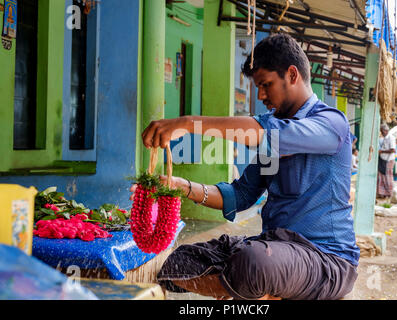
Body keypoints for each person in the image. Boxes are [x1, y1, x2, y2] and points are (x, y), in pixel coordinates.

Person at [135, 34, 359, 300]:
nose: (261, 95)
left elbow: (269, 134)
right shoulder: (270, 134)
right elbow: (239, 196)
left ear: (292, 74)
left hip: (325, 260)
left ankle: (248, 288)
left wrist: (186, 124)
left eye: (266, 85)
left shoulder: (331, 124)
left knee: (253, 263)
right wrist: (179, 186)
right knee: (178, 262)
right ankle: (247, 288)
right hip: (276, 250)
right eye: (258, 87)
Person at [377, 124, 396, 199]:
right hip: (383, 159)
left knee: (388, 177)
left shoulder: (391, 138)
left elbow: (393, 150)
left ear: (386, 130)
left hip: (388, 160)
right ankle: (383, 193)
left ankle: (389, 193)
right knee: (382, 177)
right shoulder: (385, 138)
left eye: (382, 131)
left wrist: (381, 151)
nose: (382, 133)